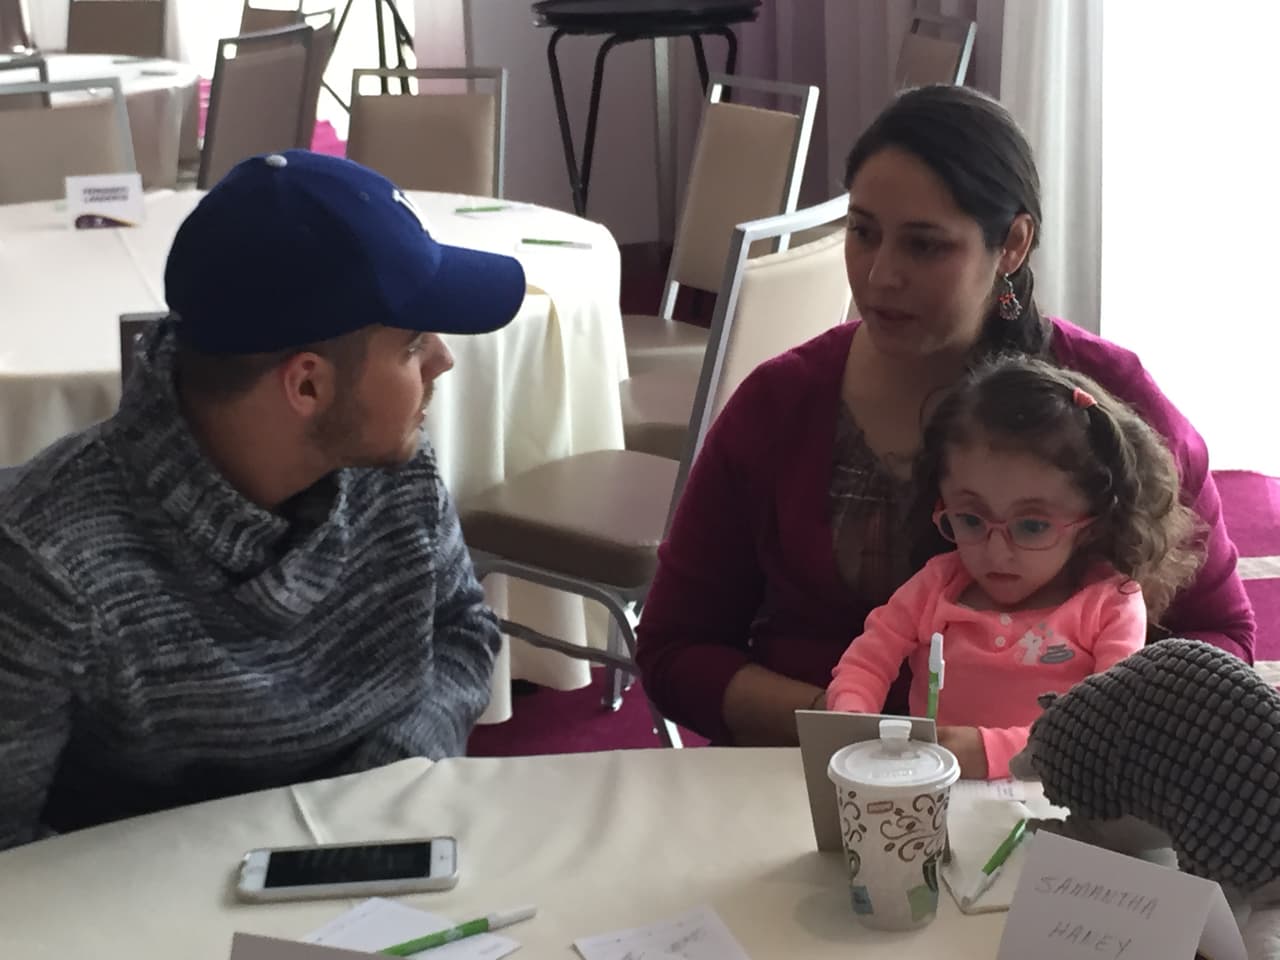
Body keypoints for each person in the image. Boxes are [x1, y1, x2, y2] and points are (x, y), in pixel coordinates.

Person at [634, 85, 1255, 747]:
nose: (878, 277)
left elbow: (1219, 638)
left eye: (925, 247)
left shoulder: (1105, 394)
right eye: (862, 233)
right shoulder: (781, 404)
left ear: (1012, 244)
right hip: (812, 777)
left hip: (1059, 793)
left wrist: (1070, 742)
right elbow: (676, 648)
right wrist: (855, 725)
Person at [0, 151, 527, 851]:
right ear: (306, 387)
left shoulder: (393, 470)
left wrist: (369, 796)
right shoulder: (48, 561)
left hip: (375, 856)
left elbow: (462, 630)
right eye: (413, 344)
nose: (443, 362)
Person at [827, 357, 1203, 779]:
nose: (996, 551)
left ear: (1092, 525)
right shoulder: (937, 584)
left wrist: (991, 752)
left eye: (1032, 525)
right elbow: (866, 663)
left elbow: (1110, 730)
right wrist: (851, 723)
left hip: (1057, 808)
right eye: (970, 518)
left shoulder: (1109, 606)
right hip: (930, 792)